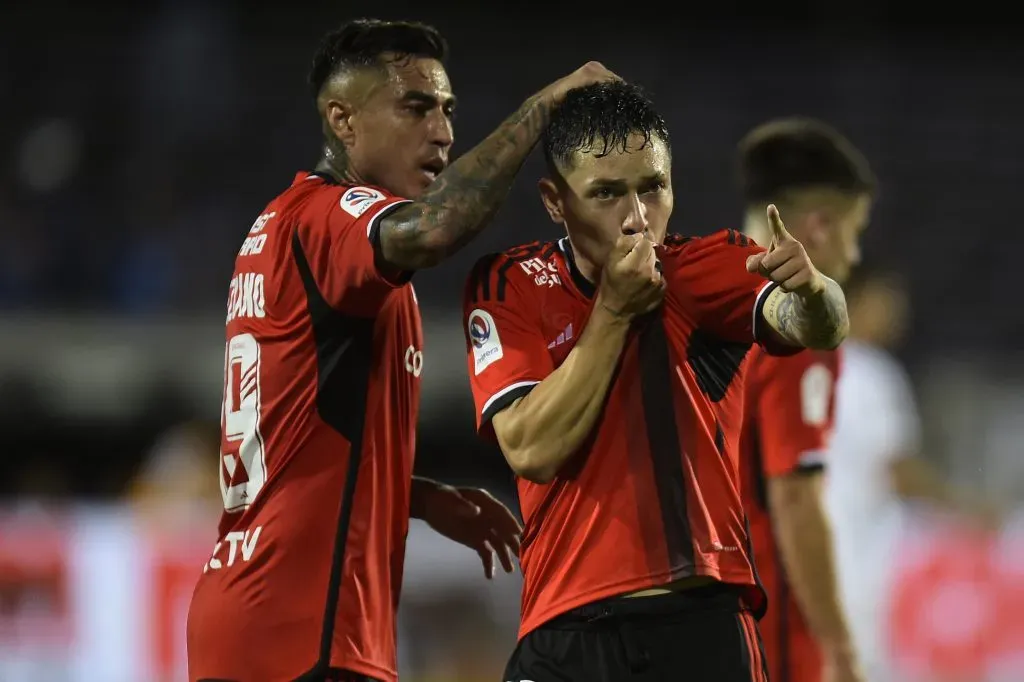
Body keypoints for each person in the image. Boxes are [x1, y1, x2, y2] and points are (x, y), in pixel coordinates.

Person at [185, 18, 618, 682]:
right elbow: (439, 226)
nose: (442, 131)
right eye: (415, 107)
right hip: (304, 630)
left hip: (251, 610)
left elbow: (296, 436)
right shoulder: (328, 217)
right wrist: (542, 110)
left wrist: (409, 494)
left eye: (447, 110)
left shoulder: (283, 228)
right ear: (344, 121)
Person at [462, 81, 849, 682]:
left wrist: (814, 290)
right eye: (607, 194)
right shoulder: (511, 285)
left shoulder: (705, 268)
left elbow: (814, 324)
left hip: (701, 624)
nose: (637, 217)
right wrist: (615, 311)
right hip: (566, 634)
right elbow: (530, 448)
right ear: (554, 201)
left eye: (653, 187)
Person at [735, 118, 875, 682]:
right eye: (854, 229)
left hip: (685, 613)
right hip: (767, 619)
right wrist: (840, 649)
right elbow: (794, 498)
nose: (856, 252)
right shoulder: (801, 319)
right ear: (818, 227)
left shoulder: (690, 295)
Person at [824, 265, 1002, 681]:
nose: (897, 315)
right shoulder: (870, 371)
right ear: (856, 301)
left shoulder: (797, 365)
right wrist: (965, 510)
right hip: (858, 560)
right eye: (887, 302)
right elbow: (898, 471)